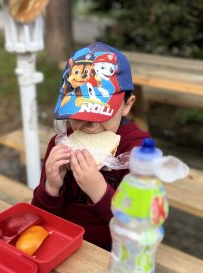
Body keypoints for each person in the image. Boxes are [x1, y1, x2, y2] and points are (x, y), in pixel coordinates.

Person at [32, 42, 150, 251]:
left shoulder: (138, 155)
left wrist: (100, 191)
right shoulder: (59, 145)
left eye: (100, 113)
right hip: (61, 242)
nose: (91, 125)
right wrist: (51, 187)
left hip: (110, 252)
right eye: (80, 114)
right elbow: (41, 216)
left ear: (127, 105)